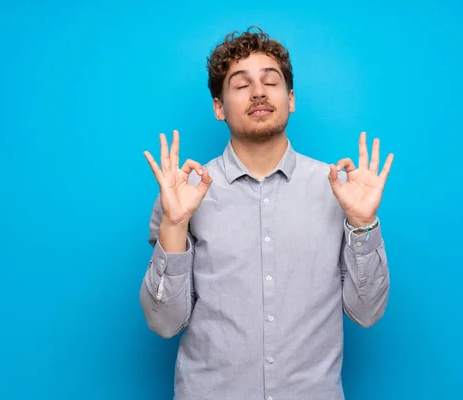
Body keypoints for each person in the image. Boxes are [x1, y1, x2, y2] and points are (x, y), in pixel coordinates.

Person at [139, 26, 394, 400]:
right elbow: (164, 323)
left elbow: (368, 313)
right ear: (219, 107)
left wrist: (362, 224)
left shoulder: (339, 190)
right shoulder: (182, 196)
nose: (258, 92)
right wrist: (174, 225)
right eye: (241, 85)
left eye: (270, 82)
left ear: (290, 98)